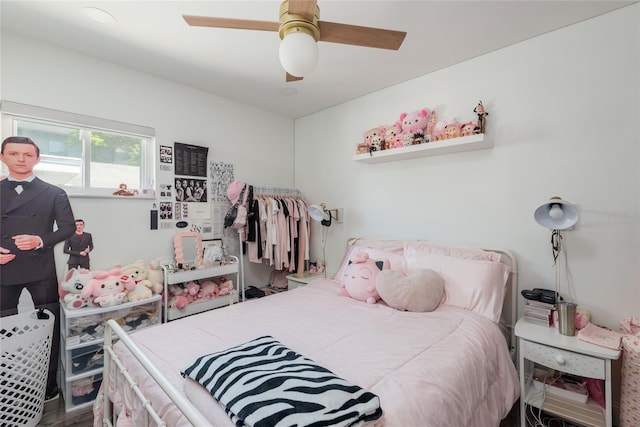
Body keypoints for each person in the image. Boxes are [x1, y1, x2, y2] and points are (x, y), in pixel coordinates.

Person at [0, 136, 75, 401]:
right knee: (4, 328)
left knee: (49, 324)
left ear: (37, 159)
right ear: (3, 157)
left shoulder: (54, 192)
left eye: (28, 155)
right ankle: (6, 386)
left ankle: (48, 387)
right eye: (14, 153)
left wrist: (40, 240)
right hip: (3, 270)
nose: (21, 159)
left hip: (40, 268)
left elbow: (67, 228)